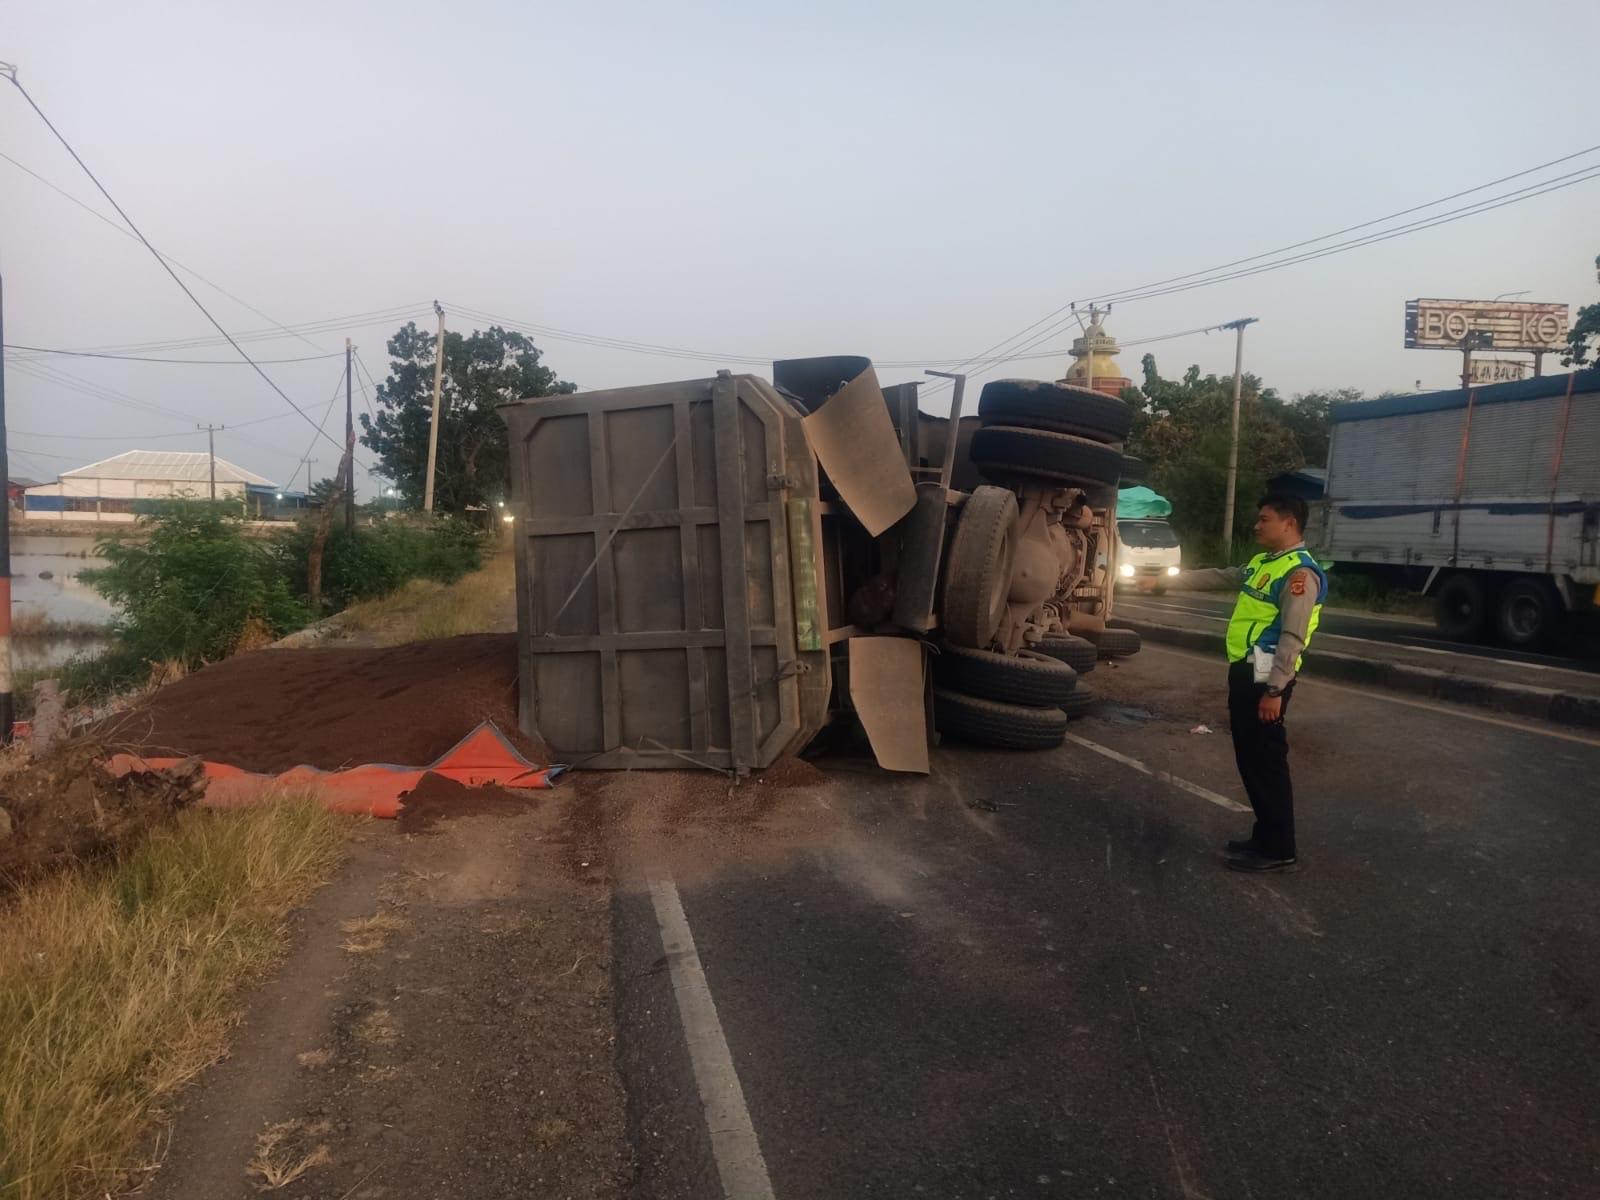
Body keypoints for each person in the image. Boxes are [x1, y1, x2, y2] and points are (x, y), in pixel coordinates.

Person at [1157, 495, 1327, 872]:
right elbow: (1222, 576)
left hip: (1266, 677)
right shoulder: (1264, 563)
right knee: (1251, 759)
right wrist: (1166, 579)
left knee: (1266, 762)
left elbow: (1292, 636)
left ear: (1288, 524)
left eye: (1264, 519)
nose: (1256, 525)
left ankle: (1279, 847)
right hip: (1246, 669)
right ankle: (1265, 835)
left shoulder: (1300, 574)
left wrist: (1275, 691)